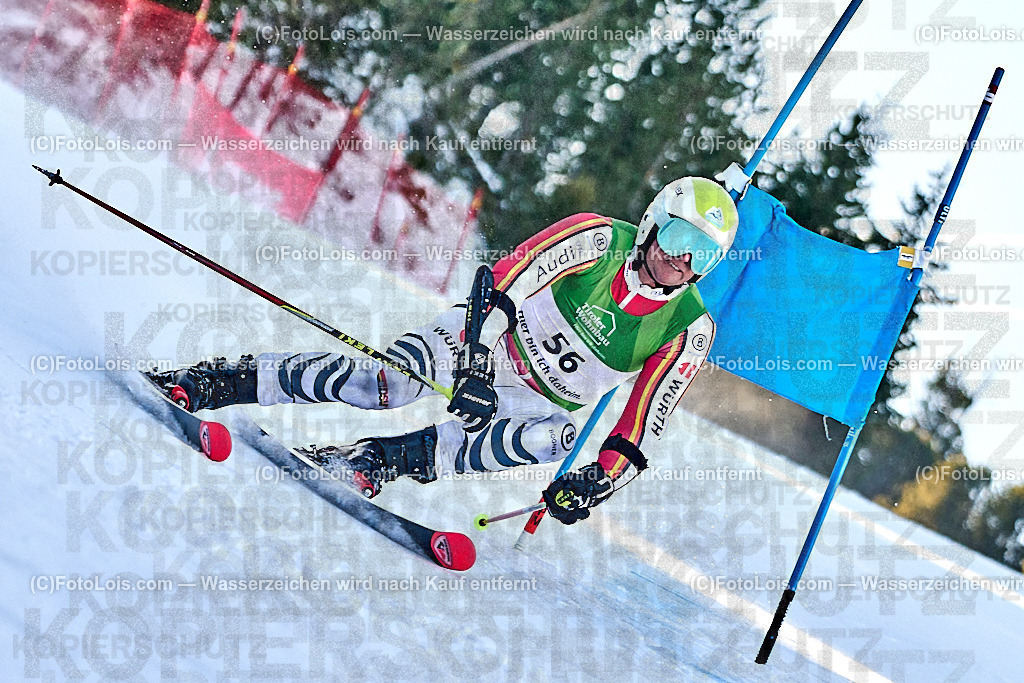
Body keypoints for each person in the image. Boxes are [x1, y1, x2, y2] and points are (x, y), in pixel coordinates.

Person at [149, 177, 739, 524]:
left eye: (703, 255)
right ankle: (222, 380)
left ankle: (377, 461)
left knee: (554, 439)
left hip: (541, 402)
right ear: (656, 222)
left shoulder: (690, 329)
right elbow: (502, 283)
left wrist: (596, 483)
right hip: (489, 344)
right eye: (682, 238)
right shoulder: (598, 239)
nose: (684, 260)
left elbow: (640, 427)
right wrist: (477, 364)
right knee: (384, 385)